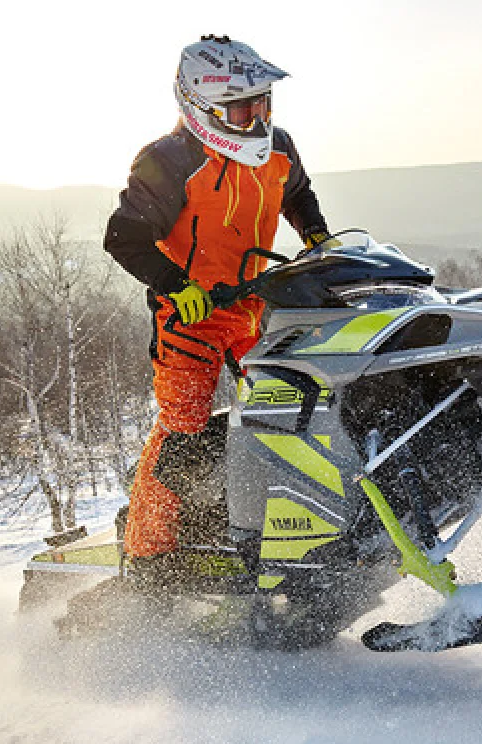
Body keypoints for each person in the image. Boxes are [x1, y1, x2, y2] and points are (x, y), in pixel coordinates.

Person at [104, 34, 330, 580]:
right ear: (199, 105)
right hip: (191, 316)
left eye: (262, 103)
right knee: (182, 429)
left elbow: (296, 193)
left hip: (260, 306)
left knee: (295, 411)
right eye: (241, 106)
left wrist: (317, 237)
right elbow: (123, 237)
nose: (255, 115)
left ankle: (289, 525)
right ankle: (148, 558)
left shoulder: (279, 146)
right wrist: (174, 283)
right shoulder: (168, 160)